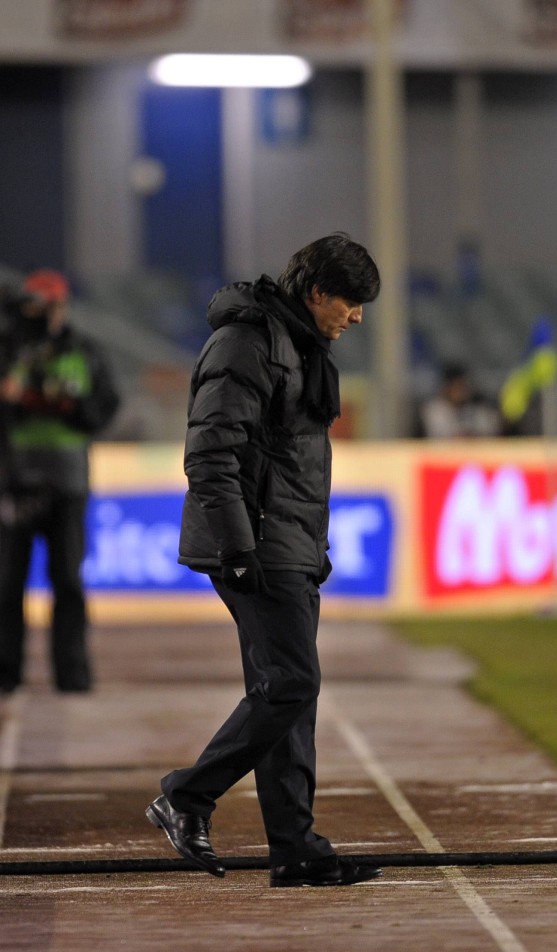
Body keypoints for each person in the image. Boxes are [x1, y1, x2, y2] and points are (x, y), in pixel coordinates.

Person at [146, 234, 384, 888]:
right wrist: (240, 549)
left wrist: (306, 548)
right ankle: (187, 795)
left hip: (287, 545)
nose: (357, 315)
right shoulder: (247, 343)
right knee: (291, 685)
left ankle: (295, 848)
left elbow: (290, 460)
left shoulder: (295, 343)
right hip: (257, 545)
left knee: (288, 696)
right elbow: (210, 457)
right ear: (316, 292)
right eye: (351, 301)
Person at [0, 270, 120, 693]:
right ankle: (5, 673)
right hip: (13, 481)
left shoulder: (84, 352)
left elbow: (103, 408)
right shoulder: (8, 349)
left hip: (67, 485)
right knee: (6, 583)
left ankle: (72, 674)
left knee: (67, 580)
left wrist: (54, 403)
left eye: (51, 305)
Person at [419, 361, 502, 439]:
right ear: (446, 388)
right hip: (442, 453)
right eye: (456, 387)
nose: (461, 391)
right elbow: (441, 435)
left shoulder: (476, 407)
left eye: (463, 386)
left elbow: (492, 429)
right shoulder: (434, 410)